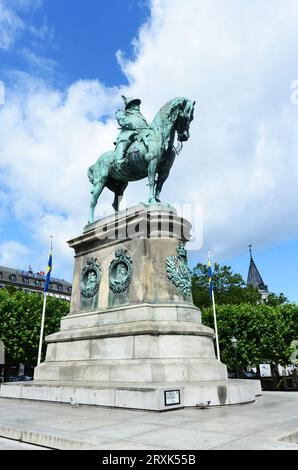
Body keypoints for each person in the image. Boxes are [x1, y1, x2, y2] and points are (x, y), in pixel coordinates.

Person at [114, 95, 149, 167]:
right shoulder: (123, 112)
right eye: (136, 105)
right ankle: (119, 160)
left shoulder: (140, 116)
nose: (139, 106)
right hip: (130, 132)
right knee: (124, 140)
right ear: (132, 105)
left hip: (143, 133)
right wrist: (128, 123)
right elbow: (121, 120)